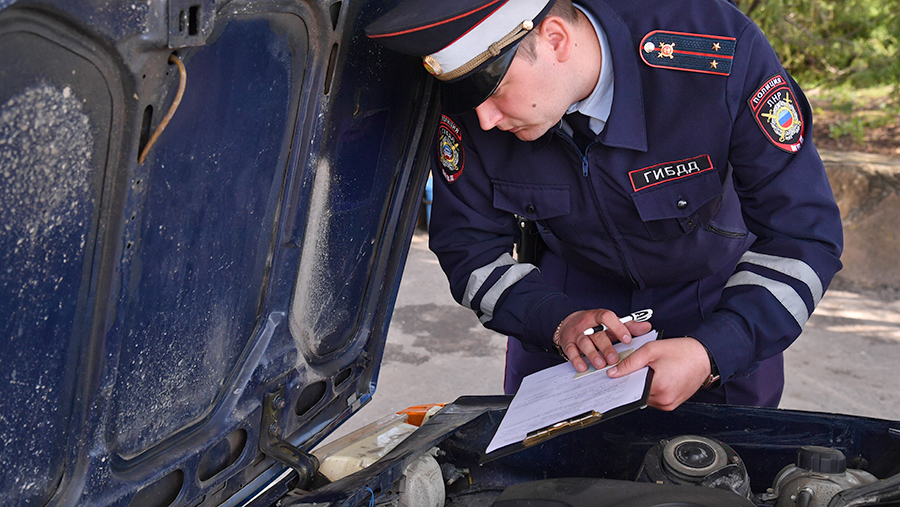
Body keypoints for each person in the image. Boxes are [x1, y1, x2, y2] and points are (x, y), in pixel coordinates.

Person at [365, 0, 842, 410]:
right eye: (466, 97)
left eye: (489, 89)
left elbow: (803, 236)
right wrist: (555, 321)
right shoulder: (475, 107)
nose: (484, 120)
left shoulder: (717, 51)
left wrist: (713, 350)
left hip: (715, 296)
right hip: (568, 307)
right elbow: (467, 248)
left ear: (554, 39)